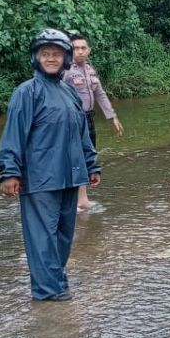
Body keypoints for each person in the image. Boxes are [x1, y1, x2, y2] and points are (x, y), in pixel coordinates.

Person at [0, 29, 101, 301]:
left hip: (70, 175)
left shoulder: (69, 92)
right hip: (40, 177)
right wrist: (10, 171)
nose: (51, 59)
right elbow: (14, 134)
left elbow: (83, 134)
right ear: (36, 57)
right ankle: (46, 289)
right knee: (42, 236)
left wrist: (91, 165)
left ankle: (57, 279)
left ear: (65, 58)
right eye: (46, 54)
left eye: (56, 54)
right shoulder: (26, 92)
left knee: (65, 234)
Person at [63, 34, 123, 211]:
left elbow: (100, 93)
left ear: (89, 50)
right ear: (69, 50)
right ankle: (70, 200)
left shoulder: (89, 69)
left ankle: (82, 199)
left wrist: (112, 117)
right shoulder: (65, 71)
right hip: (71, 120)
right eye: (76, 48)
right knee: (73, 158)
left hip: (88, 118)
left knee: (87, 157)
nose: (80, 51)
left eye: (83, 48)